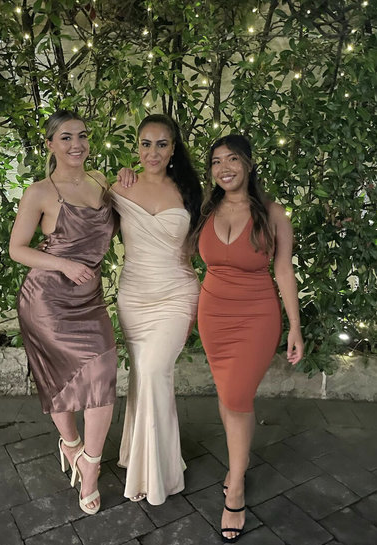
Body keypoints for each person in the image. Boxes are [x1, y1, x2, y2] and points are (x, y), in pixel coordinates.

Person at [9, 110, 133, 515]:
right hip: (46, 301)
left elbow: (127, 214)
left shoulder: (100, 181)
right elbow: (17, 249)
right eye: (66, 137)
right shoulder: (40, 192)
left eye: (82, 135)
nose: (76, 144)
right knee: (57, 378)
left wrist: (127, 179)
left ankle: (90, 465)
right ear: (50, 144)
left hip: (89, 299)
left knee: (102, 375)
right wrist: (63, 264)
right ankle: (71, 444)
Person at [196, 134, 304, 542]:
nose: (224, 168)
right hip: (213, 316)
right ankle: (236, 465)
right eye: (216, 161)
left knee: (238, 398)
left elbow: (284, 271)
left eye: (232, 159)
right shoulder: (205, 208)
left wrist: (295, 326)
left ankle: (237, 487)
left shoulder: (273, 213)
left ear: (249, 163)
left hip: (256, 317)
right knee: (228, 395)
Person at [111, 114, 203, 505]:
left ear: (173, 148)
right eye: (145, 144)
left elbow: (208, 242)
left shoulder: (189, 191)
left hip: (176, 295)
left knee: (153, 371)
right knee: (142, 376)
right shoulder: (119, 187)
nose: (153, 152)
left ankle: (158, 473)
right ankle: (141, 460)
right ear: (137, 147)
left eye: (161, 144)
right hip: (134, 296)